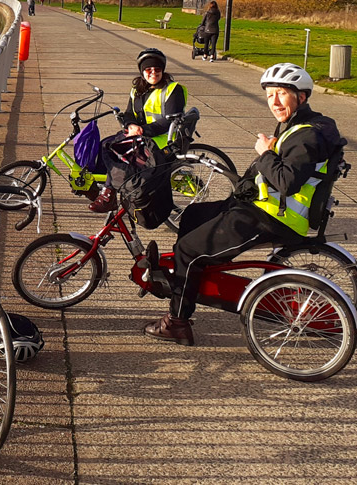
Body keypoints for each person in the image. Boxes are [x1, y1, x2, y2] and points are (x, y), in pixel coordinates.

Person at [143, 63, 343, 346]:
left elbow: (287, 181)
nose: (274, 101)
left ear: (302, 97)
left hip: (274, 217)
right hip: (262, 207)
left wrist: (265, 154)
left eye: (282, 94)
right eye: (270, 94)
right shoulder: (302, 126)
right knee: (193, 215)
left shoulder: (307, 135)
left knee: (189, 251)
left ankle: (177, 322)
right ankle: (202, 274)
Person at [89, 47, 187, 213]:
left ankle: (109, 193)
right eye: (148, 70)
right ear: (142, 72)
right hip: (141, 135)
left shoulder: (173, 90)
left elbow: (170, 120)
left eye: (157, 69)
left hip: (164, 139)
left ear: (163, 71)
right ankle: (102, 188)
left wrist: (142, 130)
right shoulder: (137, 91)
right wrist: (130, 125)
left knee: (123, 151)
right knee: (105, 144)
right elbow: (129, 113)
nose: (153, 73)